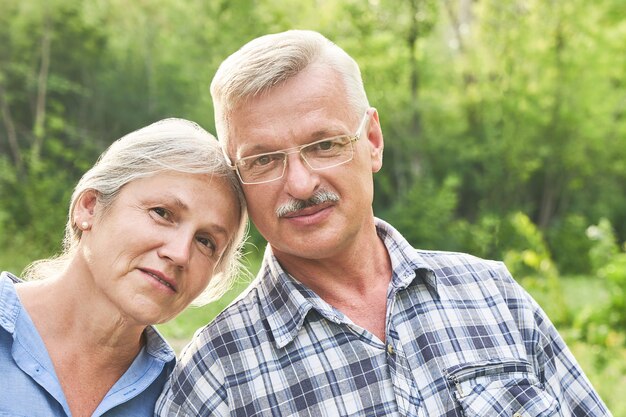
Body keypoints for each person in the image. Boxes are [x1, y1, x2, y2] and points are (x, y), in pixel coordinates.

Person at [156, 30, 611, 416]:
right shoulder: (215, 377)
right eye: (264, 159)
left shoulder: (494, 296)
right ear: (238, 179)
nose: (299, 183)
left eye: (325, 144)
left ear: (372, 141)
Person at [0, 118, 247, 417]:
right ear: (89, 207)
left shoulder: (187, 397)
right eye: (162, 213)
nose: (181, 254)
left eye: (206, 242)